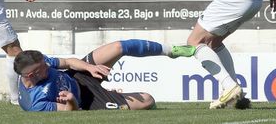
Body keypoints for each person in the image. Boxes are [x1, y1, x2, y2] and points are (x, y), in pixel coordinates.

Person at [13, 39, 196, 111]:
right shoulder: (34, 102)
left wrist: (88, 68)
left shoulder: (37, 60)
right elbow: (70, 113)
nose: (47, 65)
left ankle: (171, 50)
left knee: (119, 47)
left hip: (78, 76)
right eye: (44, 66)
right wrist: (70, 100)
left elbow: (68, 62)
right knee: (147, 100)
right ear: (32, 74)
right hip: (87, 101)